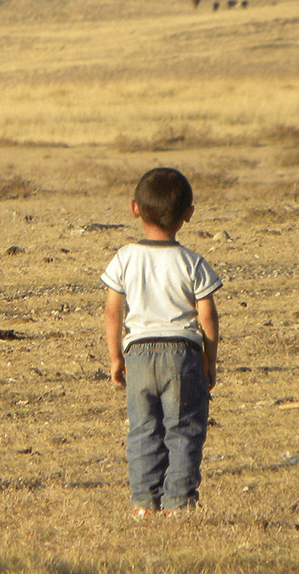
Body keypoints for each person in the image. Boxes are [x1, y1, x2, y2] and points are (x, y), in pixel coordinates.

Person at [102, 167, 222, 517]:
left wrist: (115, 357)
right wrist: (210, 359)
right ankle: (179, 502)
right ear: (188, 214)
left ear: (134, 208)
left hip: (137, 353)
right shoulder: (193, 262)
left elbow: (113, 312)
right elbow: (208, 316)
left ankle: (144, 503)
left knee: (143, 430)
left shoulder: (124, 258)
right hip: (183, 354)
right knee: (183, 429)